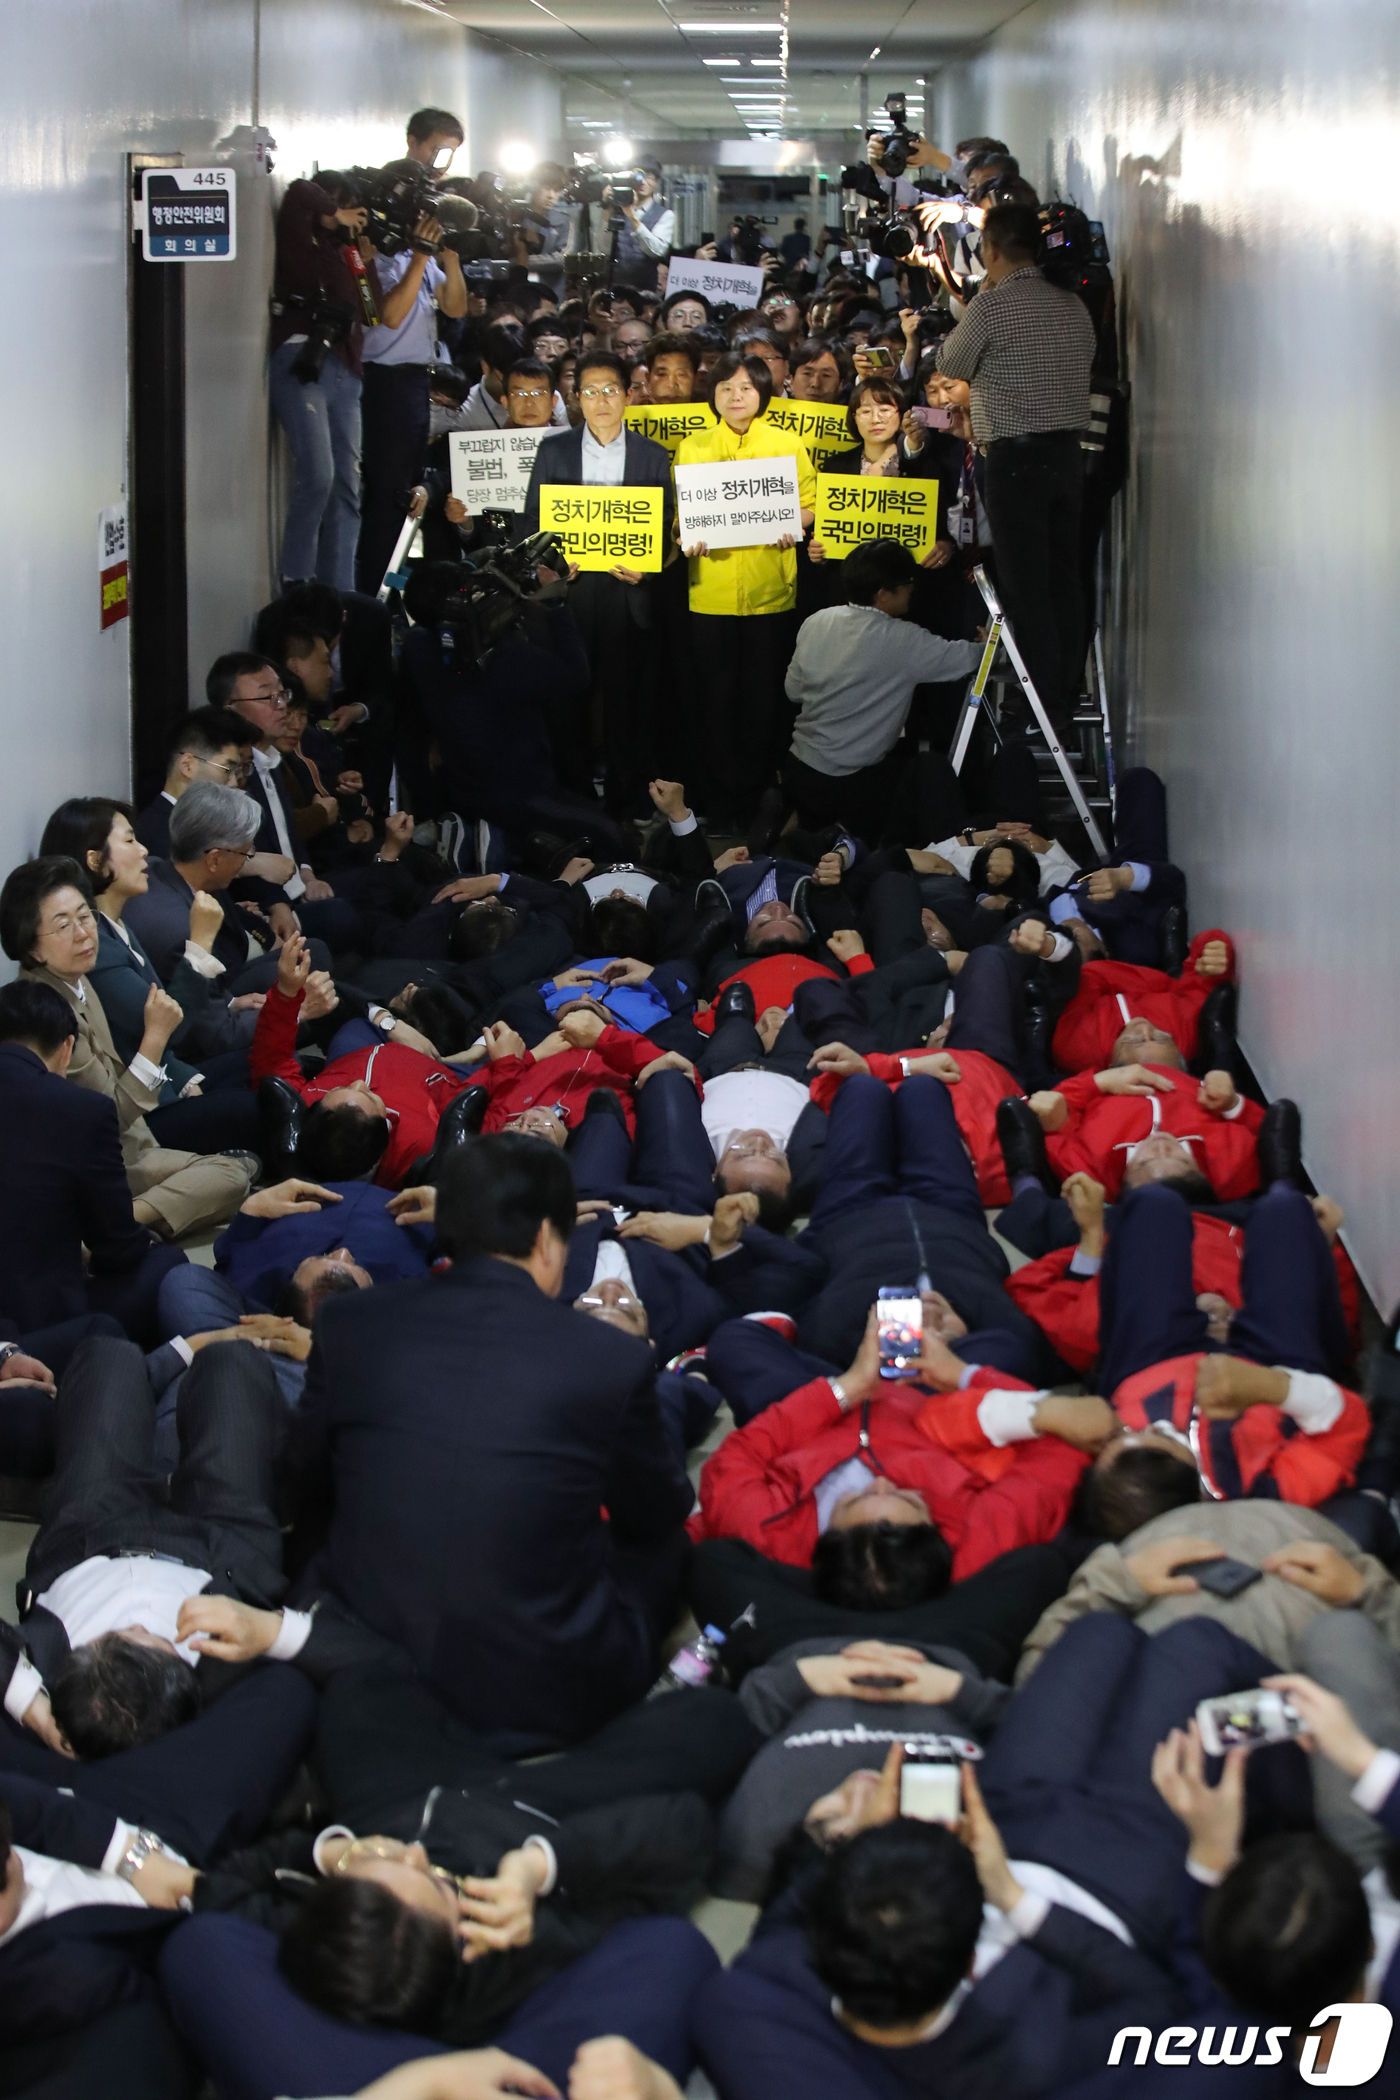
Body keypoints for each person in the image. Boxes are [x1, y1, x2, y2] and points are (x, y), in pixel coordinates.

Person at [692, 1616, 1278, 2100]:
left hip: (1006, 1814)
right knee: (1195, 1643)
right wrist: (1017, 1902)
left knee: (1100, 1631)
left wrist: (857, 1841)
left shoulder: (774, 1976)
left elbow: (780, 1925)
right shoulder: (1035, 2060)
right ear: (971, 1959)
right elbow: (1160, 2003)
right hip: (1119, 1877)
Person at [293, 1134, 695, 1753]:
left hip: (357, 1652)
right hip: (541, 1693)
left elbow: (303, 1477)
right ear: (547, 1240)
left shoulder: (351, 1320)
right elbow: (655, 1514)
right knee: (670, 1541)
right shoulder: (610, 1357)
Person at [0, 1335, 342, 1769]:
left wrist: (32, 1707)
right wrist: (276, 1631)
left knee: (108, 1357)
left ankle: (163, 1380)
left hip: (87, 1533)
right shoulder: (229, 1678)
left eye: (112, 1637)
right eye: (149, 1637)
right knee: (232, 1363)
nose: (135, 1622)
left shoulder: (48, 1673)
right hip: (222, 1546)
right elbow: (343, 1650)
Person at [690, 1295, 1091, 1585]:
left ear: (821, 1542)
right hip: (934, 1406)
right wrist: (961, 1375)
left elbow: (740, 1454)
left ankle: (845, 1347)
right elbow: (1061, 1444)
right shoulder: (979, 1543)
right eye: (909, 1498)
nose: (880, 1482)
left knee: (732, 1340)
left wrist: (848, 1387)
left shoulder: (765, 1534)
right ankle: (948, 1339)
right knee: (1008, 1348)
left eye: (853, 1499)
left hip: (812, 1413)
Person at [3, 857, 252, 1241]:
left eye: (85, 917)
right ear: (33, 949)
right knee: (231, 1173)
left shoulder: (74, 979)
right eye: (64, 926)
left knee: (239, 1170)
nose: (84, 934)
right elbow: (110, 1116)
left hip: (134, 1143)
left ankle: (128, 1220)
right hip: (104, 1159)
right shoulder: (46, 1014)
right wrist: (155, 1038)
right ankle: (117, 1226)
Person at [936, 202, 1095, 722]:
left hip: (1013, 460)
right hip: (1068, 456)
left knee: (1025, 586)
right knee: (1064, 577)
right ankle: (1065, 690)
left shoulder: (991, 305)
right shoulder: (1072, 303)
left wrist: (979, 298)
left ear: (992, 250)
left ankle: (1042, 706)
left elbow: (950, 363)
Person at [38, 798, 261, 1156]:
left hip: (168, 1076)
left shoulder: (115, 925)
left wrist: (186, 1079)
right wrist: (200, 944)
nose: (144, 850)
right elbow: (168, 1028)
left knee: (270, 1063)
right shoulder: (93, 946)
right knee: (253, 1106)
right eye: (129, 840)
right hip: (141, 1115)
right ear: (95, 860)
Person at [0, 979, 176, 1416]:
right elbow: (116, 1246)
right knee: (166, 1264)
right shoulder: (81, 1109)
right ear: (66, 1048)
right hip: (37, 1322)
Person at [520, 350, 676, 817]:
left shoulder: (653, 454)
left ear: (628, 395)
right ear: (576, 398)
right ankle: (575, 799)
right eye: (590, 391)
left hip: (628, 592)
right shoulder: (555, 450)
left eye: (610, 390)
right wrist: (554, 562)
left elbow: (668, 523)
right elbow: (534, 520)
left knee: (627, 701)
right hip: (571, 591)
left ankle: (628, 802)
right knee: (570, 698)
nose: (601, 400)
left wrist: (650, 566)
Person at [675, 351, 817, 827]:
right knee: (714, 702)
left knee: (763, 701)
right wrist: (684, 533)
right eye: (726, 388)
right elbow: (682, 514)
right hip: (710, 594)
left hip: (769, 592)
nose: (736, 397)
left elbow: (812, 503)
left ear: (763, 393)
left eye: (746, 388)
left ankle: (759, 803)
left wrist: (792, 522)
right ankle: (718, 806)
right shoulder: (693, 446)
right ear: (712, 395)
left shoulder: (786, 444)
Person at [783, 539, 983, 840]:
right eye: (907, 583)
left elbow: (793, 691)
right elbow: (967, 659)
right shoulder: (905, 639)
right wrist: (987, 643)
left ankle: (797, 825)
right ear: (883, 593)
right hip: (857, 784)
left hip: (800, 769)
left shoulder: (817, 621)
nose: (912, 589)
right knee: (926, 770)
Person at [211, 650, 365, 956]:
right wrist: (277, 904)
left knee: (379, 884)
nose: (281, 705)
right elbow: (240, 858)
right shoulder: (232, 775)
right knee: (347, 915)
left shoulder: (272, 759)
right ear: (230, 709)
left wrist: (307, 874)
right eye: (267, 697)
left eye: (282, 695)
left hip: (299, 886)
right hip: (271, 904)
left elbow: (289, 835)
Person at [355, 193, 468, 595]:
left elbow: (455, 308)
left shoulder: (417, 257)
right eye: (422, 215)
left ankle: (387, 589)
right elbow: (388, 315)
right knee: (389, 494)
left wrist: (450, 259)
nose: (428, 224)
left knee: (406, 491)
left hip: (417, 380)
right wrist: (421, 256)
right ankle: (370, 590)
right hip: (384, 381)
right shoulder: (374, 256)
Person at [268, 174, 370, 592]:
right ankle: (298, 579)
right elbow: (298, 190)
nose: (347, 215)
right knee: (319, 475)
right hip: (303, 357)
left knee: (347, 487)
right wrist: (333, 209)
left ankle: (340, 594)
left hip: (347, 370)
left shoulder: (346, 254)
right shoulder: (300, 240)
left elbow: (373, 312)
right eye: (342, 205)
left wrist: (363, 259)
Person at [132, 704, 252, 857]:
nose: (234, 782)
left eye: (237, 771)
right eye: (227, 769)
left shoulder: (197, 826)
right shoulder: (159, 833)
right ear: (187, 765)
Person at [606, 167, 673, 292]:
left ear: (656, 182)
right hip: (615, 286)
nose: (642, 181)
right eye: (637, 176)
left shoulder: (665, 215)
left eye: (649, 177)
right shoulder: (616, 210)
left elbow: (656, 251)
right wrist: (606, 208)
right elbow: (603, 248)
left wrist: (632, 216)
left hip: (645, 289)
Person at [513, 160, 576, 291]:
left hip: (550, 292)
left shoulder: (564, 221)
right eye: (547, 188)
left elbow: (562, 259)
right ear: (534, 186)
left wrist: (520, 261)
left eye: (557, 191)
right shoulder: (516, 215)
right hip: (517, 291)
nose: (551, 196)